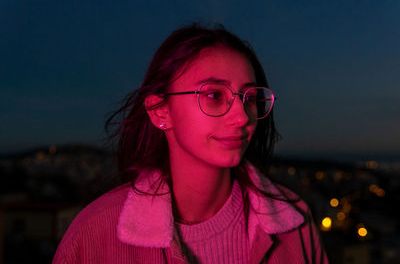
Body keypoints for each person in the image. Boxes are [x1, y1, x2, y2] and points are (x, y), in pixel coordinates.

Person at [53, 23, 328, 264]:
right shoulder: (95, 233)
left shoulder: (294, 221)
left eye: (250, 97)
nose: (242, 116)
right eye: (213, 95)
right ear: (161, 111)